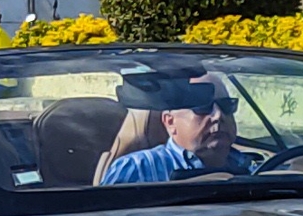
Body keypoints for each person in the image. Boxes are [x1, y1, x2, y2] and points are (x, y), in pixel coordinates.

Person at [100, 78, 243, 185]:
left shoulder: (254, 166)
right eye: (202, 107)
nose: (218, 116)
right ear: (170, 122)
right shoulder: (137, 169)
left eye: (227, 106)